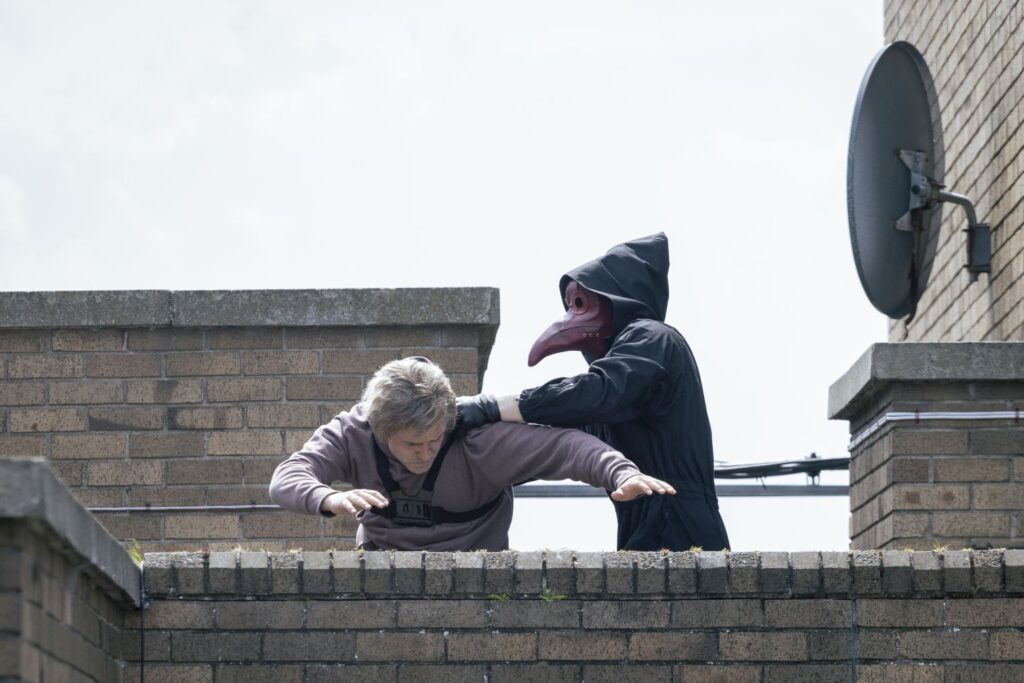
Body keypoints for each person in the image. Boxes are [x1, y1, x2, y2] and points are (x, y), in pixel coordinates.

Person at [458, 233, 730, 551]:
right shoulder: (609, 404)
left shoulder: (653, 338)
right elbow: (551, 444)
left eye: (580, 303)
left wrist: (492, 406)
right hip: (644, 532)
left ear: (616, 297)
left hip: (682, 528)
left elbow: (598, 391)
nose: (570, 316)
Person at [269, 356, 675, 551]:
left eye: (434, 440)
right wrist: (328, 497)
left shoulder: (478, 441)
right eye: (412, 444)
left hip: (476, 569)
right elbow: (288, 476)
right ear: (379, 429)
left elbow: (564, 447)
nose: (425, 453)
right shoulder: (352, 433)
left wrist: (621, 473)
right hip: (383, 565)